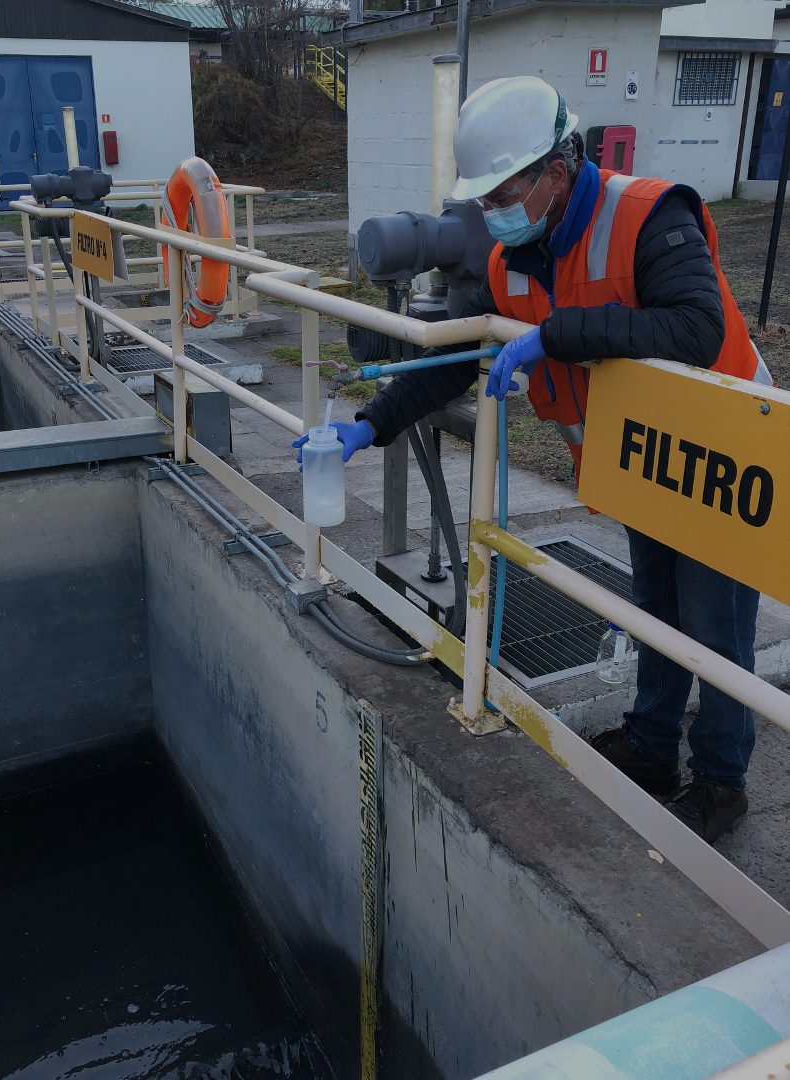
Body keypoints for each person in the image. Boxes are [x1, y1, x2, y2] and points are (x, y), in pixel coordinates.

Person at [296, 76, 770, 844]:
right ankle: (652, 749)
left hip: (722, 451)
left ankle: (722, 781)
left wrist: (556, 336)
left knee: (715, 626)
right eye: (480, 199)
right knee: (654, 608)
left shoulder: (651, 215)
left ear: (556, 170)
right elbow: (453, 363)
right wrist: (366, 429)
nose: (489, 211)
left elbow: (691, 327)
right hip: (643, 460)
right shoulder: (509, 260)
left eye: (500, 192)